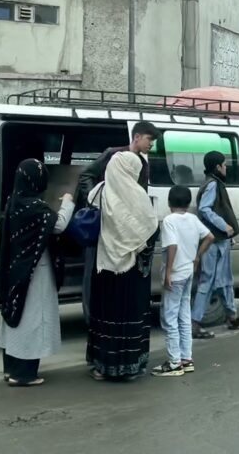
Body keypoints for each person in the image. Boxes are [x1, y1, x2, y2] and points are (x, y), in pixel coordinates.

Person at [0, 159, 75, 387]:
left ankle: (11, 369)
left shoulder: (15, 201)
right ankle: (24, 374)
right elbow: (58, 225)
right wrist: (68, 203)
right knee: (33, 318)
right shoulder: (34, 207)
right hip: (35, 271)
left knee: (16, 316)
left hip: (16, 269)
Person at [76, 120, 159, 323]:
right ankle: (92, 320)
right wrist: (100, 201)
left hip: (126, 228)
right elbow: (85, 175)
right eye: (149, 139)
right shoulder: (114, 155)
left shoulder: (143, 163)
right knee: (94, 270)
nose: (151, 145)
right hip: (105, 222)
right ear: (137, 137)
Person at [86, 151, 159, 381]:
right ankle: (130, 366)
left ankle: (102, 366)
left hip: (106, 266)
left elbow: (89, 212)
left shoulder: (99, 191)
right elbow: (150, 230)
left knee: (106, 314)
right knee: (130, 315)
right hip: (133, 272)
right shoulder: (140, 197)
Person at [152, 186, 214, 378]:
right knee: (184, 316)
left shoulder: (170, 220)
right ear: (188, 203)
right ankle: (186, 359)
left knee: (169, 319)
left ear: (169, 202)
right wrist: (197, 257)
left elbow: (172, 246)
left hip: (176, 274)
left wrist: (168, 272)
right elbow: (209, 237)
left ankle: (174, 363)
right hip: (188, 273)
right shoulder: (193, 219)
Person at [192, 151, 239, 338]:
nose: (226, 167)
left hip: (220, 240)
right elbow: (205, 209)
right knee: (207, 281)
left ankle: (232, 316)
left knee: (226, 280)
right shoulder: (212, 185)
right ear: (217, 167)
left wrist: (227, 236)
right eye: (224, 164)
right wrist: (223, 226)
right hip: (212, 240)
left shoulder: (214, 183)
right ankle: (195, 323)